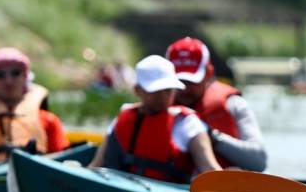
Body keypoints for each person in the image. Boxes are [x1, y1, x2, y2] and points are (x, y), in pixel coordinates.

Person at [88, 55, 221, 182]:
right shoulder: (122, 118)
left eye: (168, 90)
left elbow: (209, 170)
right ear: (137, 91)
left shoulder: (188, 124)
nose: (163, 97)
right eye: (155, 91)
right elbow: (96, 165)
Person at [166, 37, 267, 172]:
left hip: (222, 187)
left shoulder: (234, 105)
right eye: (179, 81)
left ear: (208, 73)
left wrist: (211, 136)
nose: (185, 88)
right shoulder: (153, 107)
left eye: (191, 81)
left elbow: (259, 161)